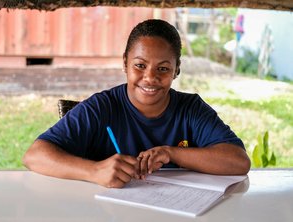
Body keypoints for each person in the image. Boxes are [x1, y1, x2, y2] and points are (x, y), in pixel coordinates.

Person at [23, 19, 250, 188]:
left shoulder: (190, 109)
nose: (150, 78)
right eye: (140, 65)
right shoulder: (102, 107)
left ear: (176, 70)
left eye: (162, 69)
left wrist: (171, 153)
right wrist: (94, 171)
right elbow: (35, 155)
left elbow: (238, 161)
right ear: (125, 63)